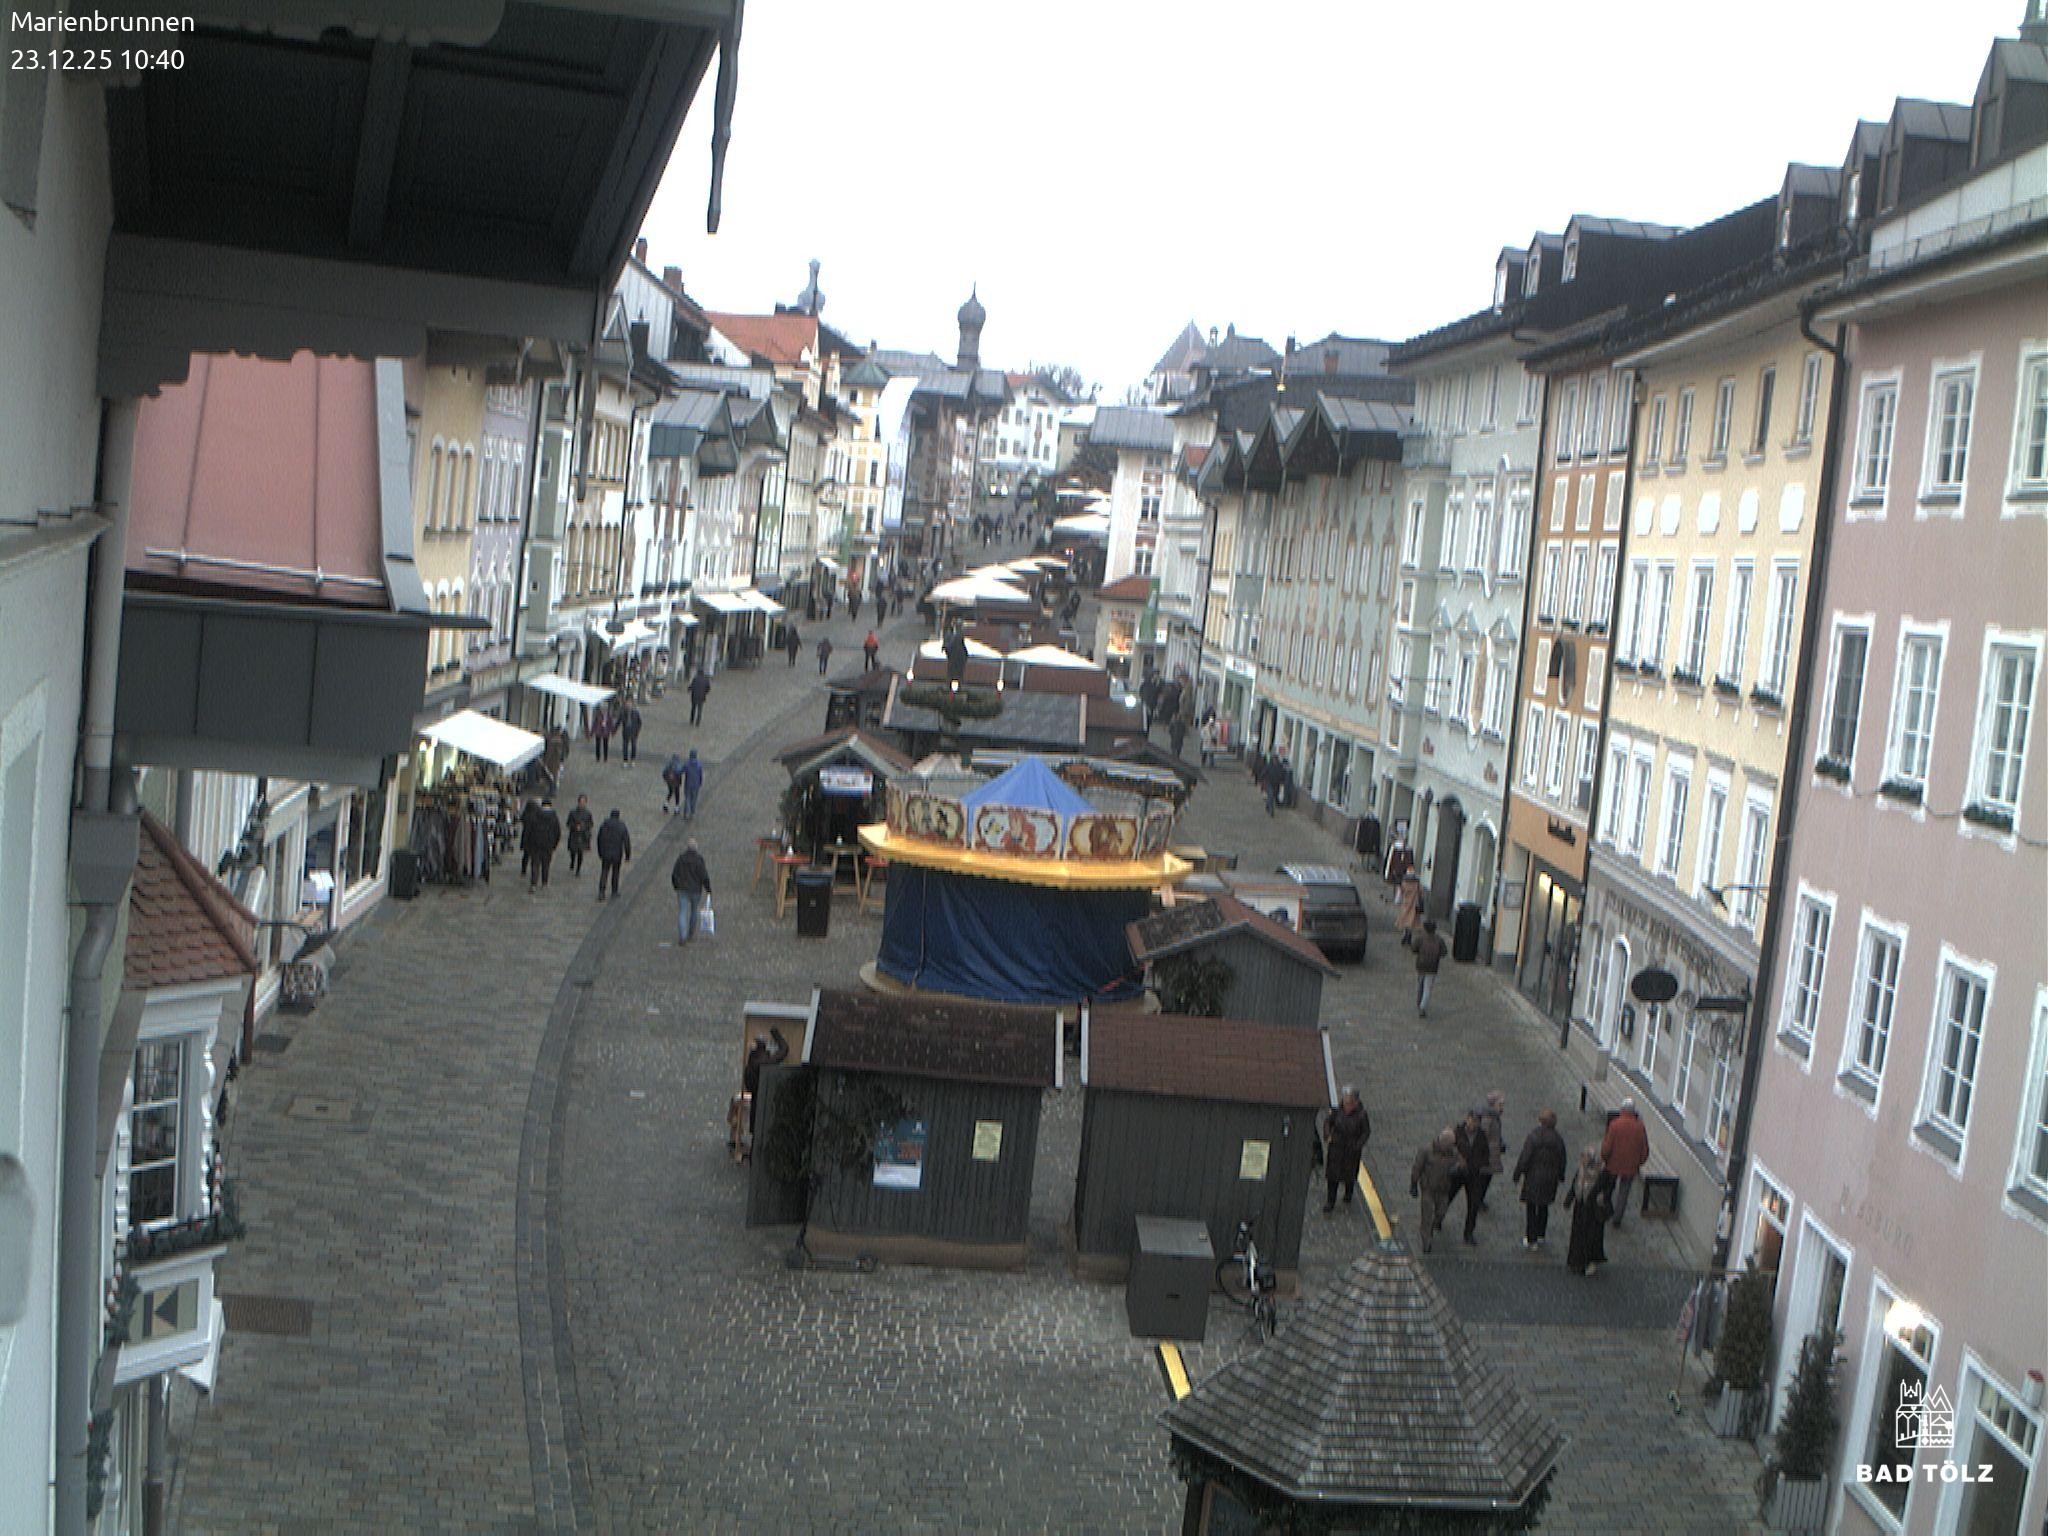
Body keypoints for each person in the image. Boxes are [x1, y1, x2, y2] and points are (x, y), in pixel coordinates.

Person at [1512, 1109, 1569, 1249]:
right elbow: (1562, 1159)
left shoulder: (1533, 1137)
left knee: (1531, 1207)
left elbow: (1525, 1157)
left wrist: (1517, 1173)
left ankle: (1530, 1238)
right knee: (1544, 1206)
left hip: (1533, 1176)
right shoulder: (1558, 1139)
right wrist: (1560, 1175)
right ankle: (1540, 1234)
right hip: (1550, 1178)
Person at [1563, 1147, 1616, 1276]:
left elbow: (1606, 1191)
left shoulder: (1603, 1173)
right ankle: (1576, 1262)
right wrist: (1569, 1199)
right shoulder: (1582, 1169)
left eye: (1585, 1158)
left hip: (1593, 1211)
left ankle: (1587, 1262)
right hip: (1581, 1207)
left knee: (1590, 1237)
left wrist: (1599, 1199)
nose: (1583, 1160)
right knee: (1578, 1235)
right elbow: (1575, 1185)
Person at [1600, 1098, 1651, 1229]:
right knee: (1624, 1191)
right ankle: (1618, 1217)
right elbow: (1644, 1149)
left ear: (1622, 1110)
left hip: (1613, 1164)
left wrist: (1604, 1158)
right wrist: (1639, 1162)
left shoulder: (1615, 1124)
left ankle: (1606, 1208)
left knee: (1609, 1186)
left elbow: (1607, 1146)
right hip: (1631, 1166)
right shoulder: (1640, 1127)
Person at [1409, 1129, 1460, 1255]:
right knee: (1427, 1215)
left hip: (1443, 1190)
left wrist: (1457, 1169)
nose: (1451, 1147)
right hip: (1428, 1189)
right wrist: (1414, 1184)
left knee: (1441, 1212)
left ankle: (1433, 1226)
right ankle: (1426, 1240)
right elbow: (1417, 1167)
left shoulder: (1453, 1153)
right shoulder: (1426, 1150)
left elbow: (1460, 1164)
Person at [1321, 1086, 1371, 1215]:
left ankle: (1348, 1194)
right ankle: (1330, 1201)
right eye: (1345, 1101)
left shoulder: (1361, 1115)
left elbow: (1366, 1132)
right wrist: (1328, 1135)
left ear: (1355, 1103)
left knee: (1349, 1176)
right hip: (1336, 1150)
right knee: (1332, 1177)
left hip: (1350, 1152)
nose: (1346, 1105)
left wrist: (1357, 1145)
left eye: (1349, 1102)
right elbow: (1328, 1122)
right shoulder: (1337, 1111)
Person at [1453, 1107, 1491, 1245]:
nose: (1473, 1123)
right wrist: (1458, 1160)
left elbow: (1486, 1156)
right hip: (1458, 1173)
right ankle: (1437, 1220)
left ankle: (1468, 1233)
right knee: (1447, 1197)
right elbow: (1450, 1150)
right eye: (1471, 1120)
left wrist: (1476, 1165)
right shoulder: (1457, 1132)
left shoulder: (1481, 1136)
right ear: (1466, 1119)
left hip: (1474, 1176)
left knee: (1473, 1205)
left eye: (1476, 1121)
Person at [743, 1027, 790, 1135]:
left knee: (756, 1128)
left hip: (756, 1097)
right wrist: (776, 1034)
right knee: (762, 1127)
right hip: (763, 1098)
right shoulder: (763, 1062)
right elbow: (783, 1050)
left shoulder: (753, 1059)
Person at [670, 837, 712, 941]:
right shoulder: (699, 860)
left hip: (682, 889)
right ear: (696, 848)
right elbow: (704, 875)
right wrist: (708, 888)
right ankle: (690, 934)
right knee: (694, 911)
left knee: (682, 912)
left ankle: (682, 936)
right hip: (695, 890)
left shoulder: (681, 859)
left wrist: (676, 886)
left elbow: (674, 874)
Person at [594, 807, 631, 900]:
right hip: (617, 854)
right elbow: (626, 841)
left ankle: (601, 892)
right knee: (615, 872)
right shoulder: (622, 826)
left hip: (606, 853)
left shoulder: (604, 825)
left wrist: (600, 852)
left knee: (604, 871)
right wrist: (627, 855)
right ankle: (614, 891)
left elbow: (599, 839)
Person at [1414, 918, 1447, 1016]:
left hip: (1421, 965)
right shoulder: (1439, 940)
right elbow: (1444, 953)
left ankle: (1419, 1001)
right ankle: (1422, 1007)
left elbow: (1414, 948)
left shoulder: (1420, 938)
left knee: (1420, 984)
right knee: (1428, 987)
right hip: (1433, 966)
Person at [1479, 1090, 1506, 1210]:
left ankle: (1479, 1199)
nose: (1502, 1107)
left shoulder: (1494, 1116)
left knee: (1487, 1178)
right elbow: (1483, 1136)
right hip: (1487, 1155)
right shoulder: (1488, 1118)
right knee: (1483, 1179)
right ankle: (1477, 1200)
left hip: (1492, 1153)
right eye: (1500, 1104)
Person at [528, 797, 561, 892]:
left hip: (536, 844)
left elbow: (530, 830)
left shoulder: (535, 815)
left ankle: (534, 883)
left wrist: (530, 843)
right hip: (548, 844)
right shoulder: (554, 817)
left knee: (535, 864)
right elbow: (557, 832)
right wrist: (554, 844)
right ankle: (544, 883)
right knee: (546, 864)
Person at [564, 795, 594, 877]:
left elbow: (591, 824)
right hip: (574, 835)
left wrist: (584, 827)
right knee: (573, 851)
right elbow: (568, 823)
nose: (582, 804)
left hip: (583, 836)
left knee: (580, 853)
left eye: (584, 802)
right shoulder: (572, 812)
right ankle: (572, 861)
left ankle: (578, 870)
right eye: (581, 802)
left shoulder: (588, 813)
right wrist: (574, 826)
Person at [1394, 872, 1426, 948]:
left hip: (1405, 904)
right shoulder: (1417, 884)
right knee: (1412, 922)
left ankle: (1405, 934)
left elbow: (1399, 894)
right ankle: (1408, 935)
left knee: (1405, 920)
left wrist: (1398, 901)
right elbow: (1421, 893)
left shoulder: (1404, 883)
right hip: (1414, 905)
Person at [518, 796, 542, 881]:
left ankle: (523, 869)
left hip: (526, 837)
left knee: (526, 855)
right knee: (534, 857)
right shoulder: (538, 814)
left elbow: (521, 819)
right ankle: (534, 874)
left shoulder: (526, 813)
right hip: (535, 838)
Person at [681, 749, 704, 820]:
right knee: (694, 799)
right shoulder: (699, 765)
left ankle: (686, 813)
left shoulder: (687, 764)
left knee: (687, 798)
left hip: (688, 784)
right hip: (696, 784)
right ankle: (692, 811)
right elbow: (700, 775)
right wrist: (700, 783)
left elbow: (681, 771)